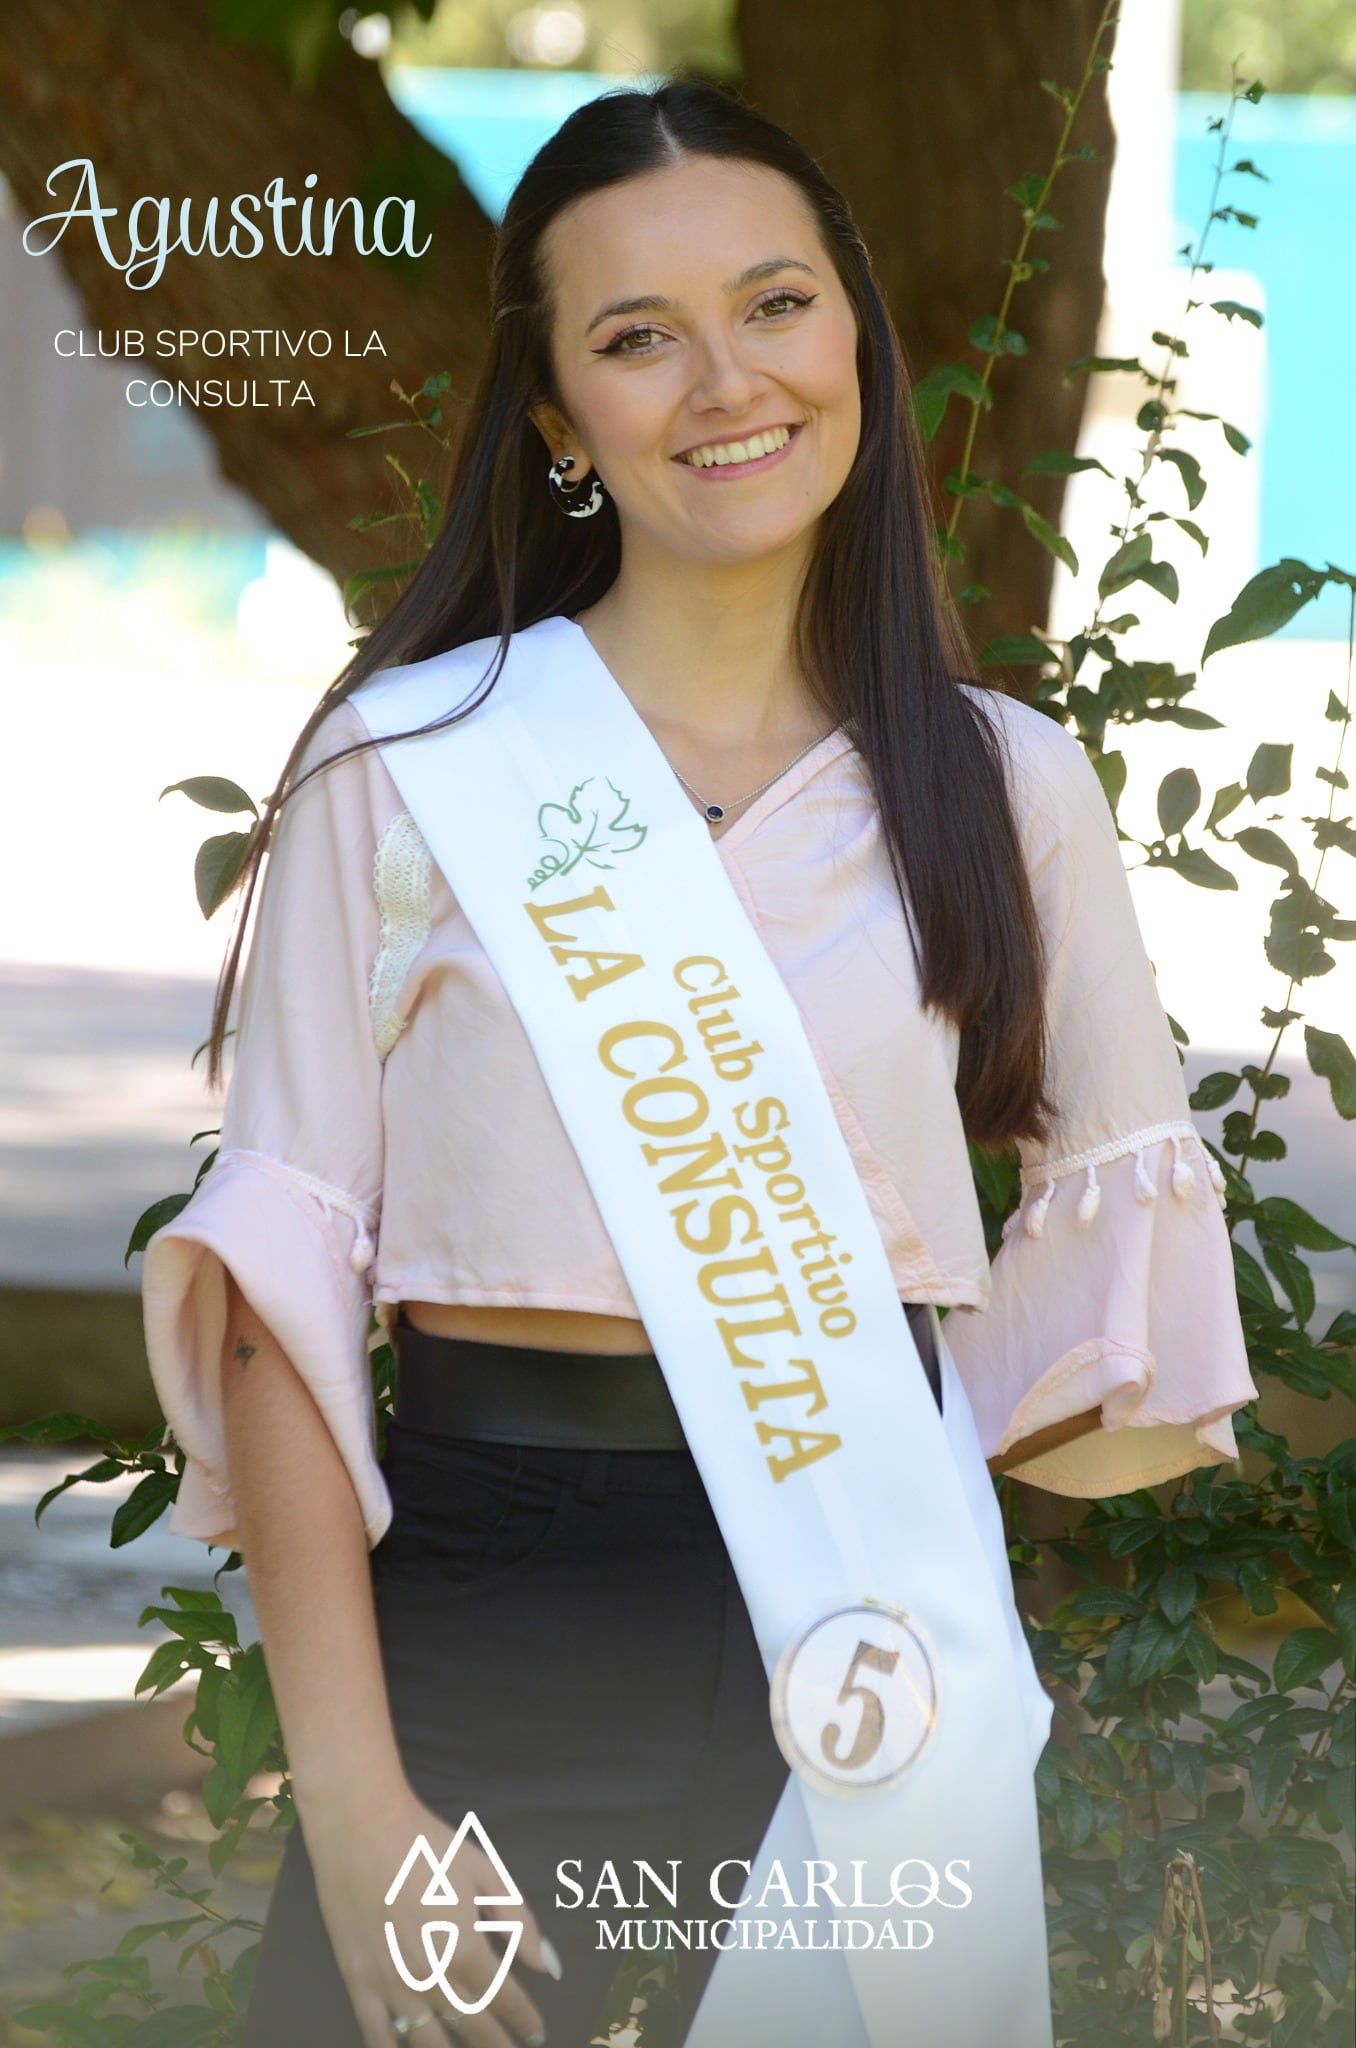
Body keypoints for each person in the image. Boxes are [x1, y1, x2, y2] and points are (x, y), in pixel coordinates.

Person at [139, 78, 1258, 2048]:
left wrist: (884, 1487)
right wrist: (358, 1810)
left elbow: (1101, 1341)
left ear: (858, 342)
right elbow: (282, 1307)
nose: (728, 381)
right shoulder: (413, 763)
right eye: (639, 336)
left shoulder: (1006, 787)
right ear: (559, 420)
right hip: (493, 1624)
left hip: (865, 1627)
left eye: (776, 304)